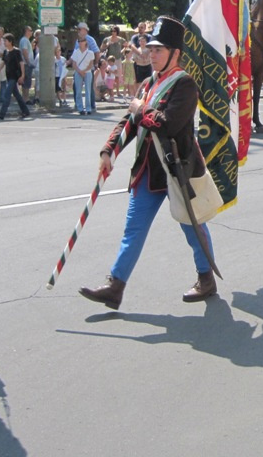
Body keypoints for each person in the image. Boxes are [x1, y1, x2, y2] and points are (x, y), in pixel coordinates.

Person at [79, 16, 218, 309]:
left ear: (175, 54)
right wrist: (109, 151)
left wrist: (142, 110)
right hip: (147, 170)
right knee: (134, 229)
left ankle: (206, 278)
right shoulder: (147, 84)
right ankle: (115, 286)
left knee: (192, 227)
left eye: (158, 50)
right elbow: (129, 122)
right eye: (150, 48)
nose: (151, 54)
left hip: (176, 169)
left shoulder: (185, 85)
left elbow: (167, 124)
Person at [0, 33, 31, 120]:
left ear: (10, 41)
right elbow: (3, 63)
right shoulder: (5, 52)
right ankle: (25, 111)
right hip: (9, 76)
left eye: (5, 41)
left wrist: (22, 75)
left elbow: (21, 63)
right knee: (17, 95)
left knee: (7, 94)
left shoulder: (16, 51)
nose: (4, 42)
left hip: (15, 76)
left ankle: (1, 114)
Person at [71, 36, 95, 115]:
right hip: (78, 72)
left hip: (87, 72)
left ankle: (88, 108)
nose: (80, 43)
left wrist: (84, 71)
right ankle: (80, 108)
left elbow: (91, 64)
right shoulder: (76, 52)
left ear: (85, 42)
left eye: (82, 41)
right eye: (79, 41)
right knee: (78, 91)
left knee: (88, 90)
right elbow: (74, 64)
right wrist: (79, 71)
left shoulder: (90, 53)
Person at [128, 21, 152, 86]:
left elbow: (151, 46)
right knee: (137, 80)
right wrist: (140, 54)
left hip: (148, 62)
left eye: (141, 27)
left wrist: (146, 54)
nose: (140, 29)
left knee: (149, 80)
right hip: (138, 61)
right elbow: (132, 46)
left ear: (145, 28)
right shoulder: (135, 37)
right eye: (139, 27)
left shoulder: (149, 37)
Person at [19, 26, 35, 102]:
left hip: (26, 63)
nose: (32, 32)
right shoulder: (24, 40)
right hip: (26, 64)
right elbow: (24, 51)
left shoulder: (26, 40)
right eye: (30, 30)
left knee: (26, 81)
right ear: (26, 31)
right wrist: (28, 62)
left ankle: (25, 98)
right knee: (26, 81)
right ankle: (26, 98)